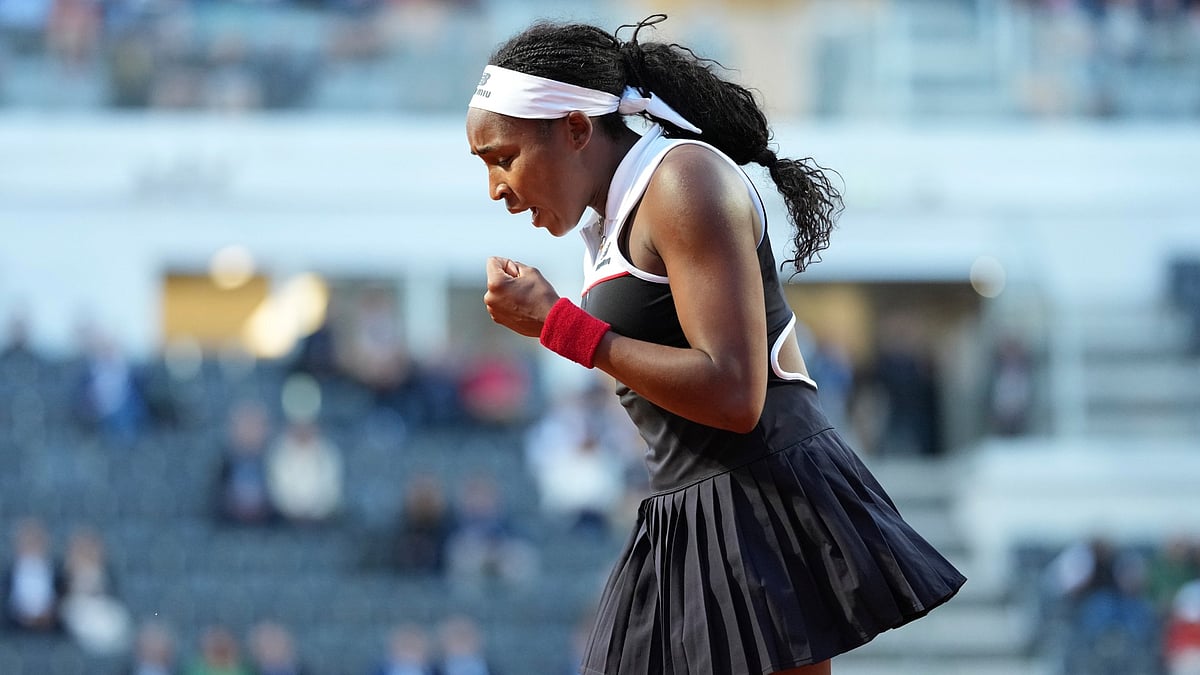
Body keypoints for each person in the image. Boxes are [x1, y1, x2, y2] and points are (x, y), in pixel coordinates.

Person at [467, 14, 966, 675]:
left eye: (504, 158)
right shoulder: (617, 210)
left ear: (578, 129)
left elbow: (735, 393)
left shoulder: (682, 181)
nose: (496, 189)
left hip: (757, 499)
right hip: (690, 502)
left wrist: (560, 326)